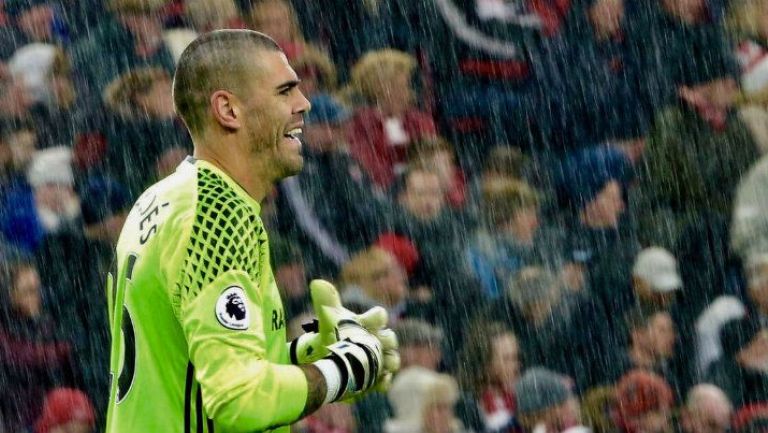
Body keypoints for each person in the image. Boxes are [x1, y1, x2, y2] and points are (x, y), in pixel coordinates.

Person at [104, 29, 398, 433]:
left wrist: (310, 355)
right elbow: (240, 401)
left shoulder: (160, 199)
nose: (304, 104)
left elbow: (191, 365)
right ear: (228, 110)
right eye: (284, 91)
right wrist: (344, 370)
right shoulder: (217, 213)